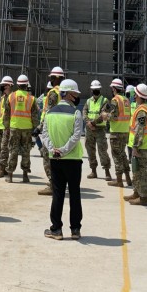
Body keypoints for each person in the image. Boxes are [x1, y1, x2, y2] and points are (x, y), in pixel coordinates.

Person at [41, 78, 84, 240]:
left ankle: (56, 229)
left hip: (55, 159)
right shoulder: (76, 113)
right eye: (75, 93)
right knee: (74, 194)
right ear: (69, 94)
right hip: (72, 160)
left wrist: (54, 150)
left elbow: (44, 134)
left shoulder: (50, 113)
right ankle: (75, 229)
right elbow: (76, 136)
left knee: (58, 194)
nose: (77, 96)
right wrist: (65, 150)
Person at [4, 73, 39, 183]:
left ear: (18, 85)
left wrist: (6, 127)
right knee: (26, 151)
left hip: (14, 127)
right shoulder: (32, 98)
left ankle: (10, 175)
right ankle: (25, 175)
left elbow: (6, 114)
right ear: (26, 85)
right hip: (27, 128)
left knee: (13, 151)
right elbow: (34, 116)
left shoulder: (11, 96)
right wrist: (35, 128)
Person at [124, 83, 147, 206]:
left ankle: (143, 198)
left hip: (142, 146)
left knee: (141, 172)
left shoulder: (142, 111)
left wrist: (136, 147)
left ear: (139, 95)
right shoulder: (142, 108)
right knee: (136, 171)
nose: (134, 96)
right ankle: (136, 192)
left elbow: (139, 130)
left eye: (135, 94)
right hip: (141, 145)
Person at [37, 66, 65, 196]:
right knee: (60, 156)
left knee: (47, 155)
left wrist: (40, 127)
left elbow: (49, 111)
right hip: (63, 128)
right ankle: (60, 183)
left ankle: (53, 184)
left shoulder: (53, 93)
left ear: (54, 79)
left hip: (52, 129)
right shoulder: (65, 92)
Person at [101, 77, 132, 188]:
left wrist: (105, 116)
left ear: (114, 89)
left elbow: (114, 117)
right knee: (123, 154)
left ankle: (119, 180)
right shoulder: (126, 100)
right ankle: (128, 178)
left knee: (116, 156)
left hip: (116, 132)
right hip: (125, 132)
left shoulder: (115, 100)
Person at [83, 79, 112, 180]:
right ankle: (93, 171)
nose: (95, 91)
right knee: (90, 150)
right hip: (89, 129)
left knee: (102, 150)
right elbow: (84, 112)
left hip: (100, 129)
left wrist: (93, 123)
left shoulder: (105, 101)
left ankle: (107, 172)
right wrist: (88, 122)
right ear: (91, 90)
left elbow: (103, 115)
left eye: (97, 89)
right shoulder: (88, 101)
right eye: (94, 89)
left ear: (100, 89)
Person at [0, 75, 13, 178]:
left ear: (9, 86)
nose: (2, 87)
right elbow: (0, 112)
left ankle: (1, 169)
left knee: (5, 148)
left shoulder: (12, 97)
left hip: (7, 127)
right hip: (0, 126)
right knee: (1, 148)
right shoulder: (2, 98)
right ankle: (4, 168)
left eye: (3, 85)